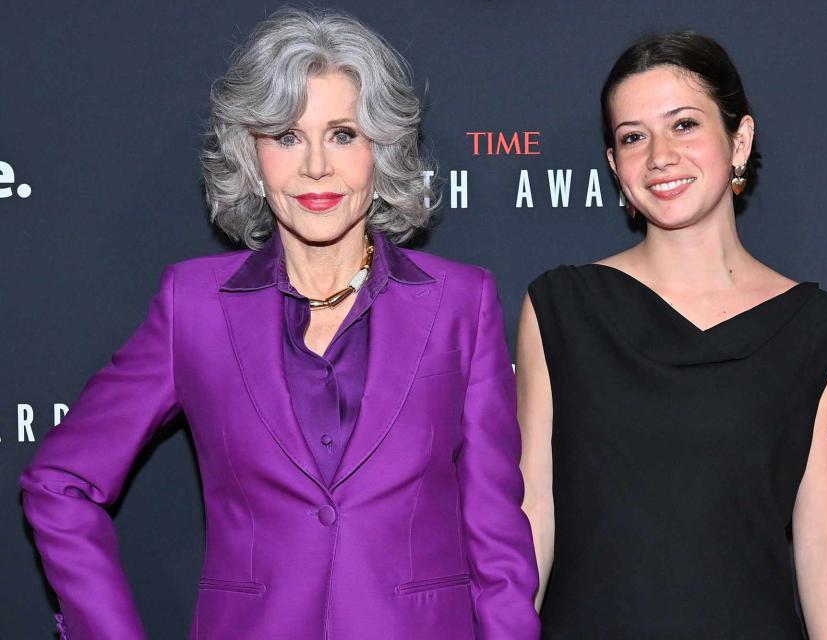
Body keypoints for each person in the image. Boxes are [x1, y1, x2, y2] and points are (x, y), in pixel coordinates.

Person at [21, 8, 539, 640]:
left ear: (380, 148)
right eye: (287, 136)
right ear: (251, 151)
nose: (316, 165)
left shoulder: (460, 301)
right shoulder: (195, 306)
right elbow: (61, 484)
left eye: (343, 133)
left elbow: (498, 544)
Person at [517, 32, 827, 639]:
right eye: (633, 137)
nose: (658, 156)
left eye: (683, 125)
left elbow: (824, 537)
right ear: (613, 167)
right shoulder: (561, 308)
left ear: (740, 140)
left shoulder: (816, 331)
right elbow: (533, 512)